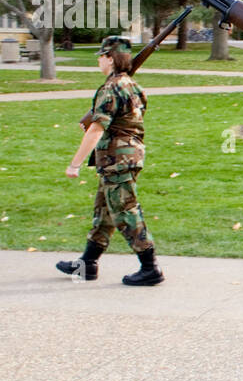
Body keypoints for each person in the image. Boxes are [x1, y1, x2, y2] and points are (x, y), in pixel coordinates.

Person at [56, 35, 163, 286]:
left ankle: (150, 267)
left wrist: (75, 164)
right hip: (127, 156)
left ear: (110, 58)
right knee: (104, 212)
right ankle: (87, 264)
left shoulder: (111, 88)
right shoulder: (133, 86)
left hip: (117, 159)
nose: (99, 61)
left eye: (101, 56)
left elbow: (96, 129)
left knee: (125, 211)